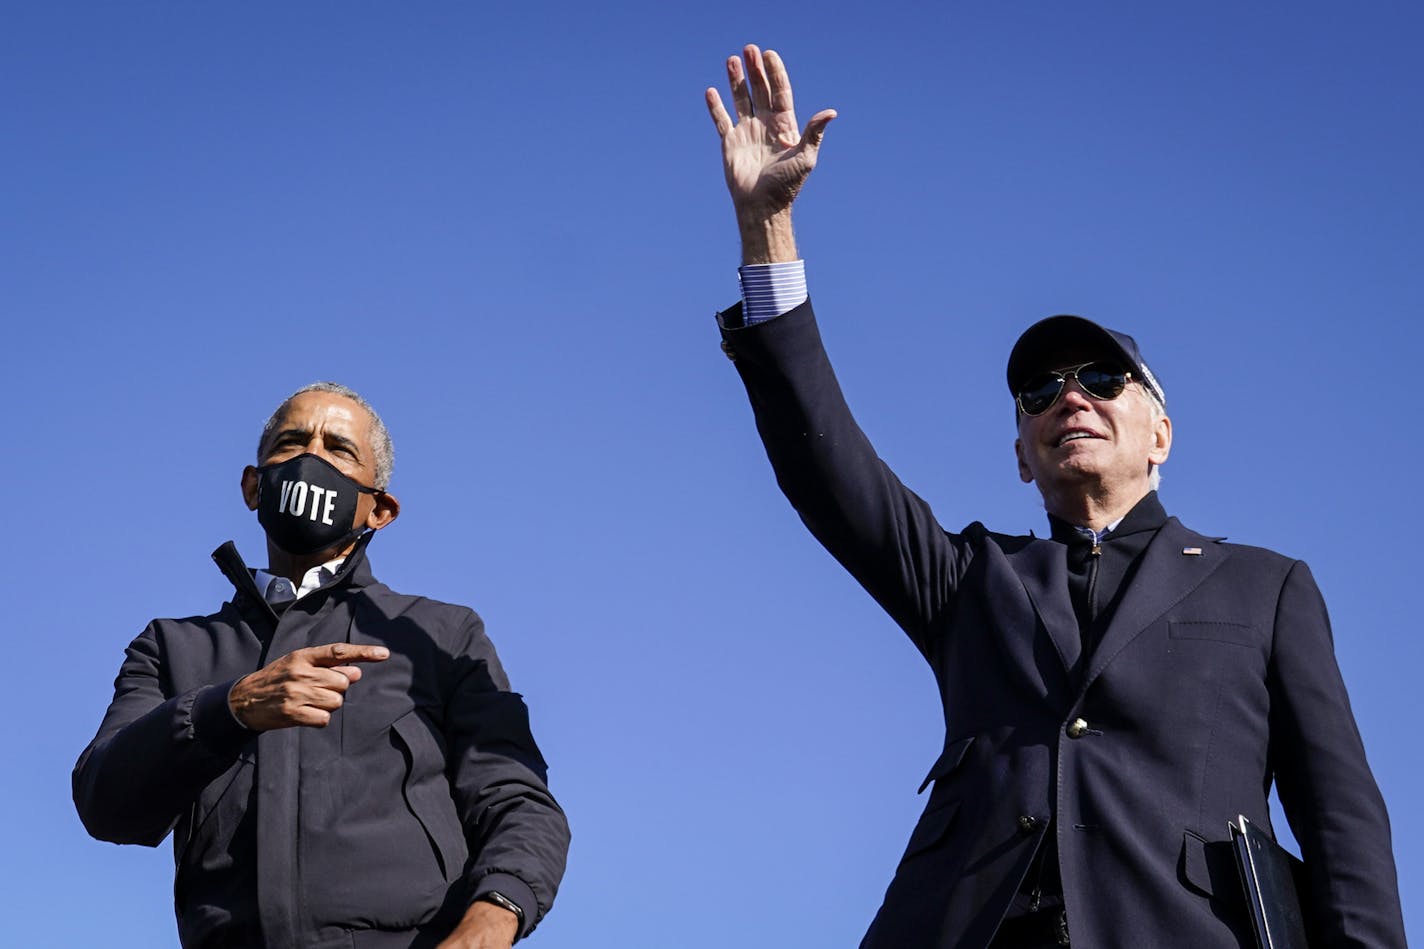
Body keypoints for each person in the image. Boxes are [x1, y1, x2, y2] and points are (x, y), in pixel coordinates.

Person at [704, 45, 1405, 948]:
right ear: (1021, 456)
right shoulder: (968, 578)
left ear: (1162, 434)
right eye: (1038, 391)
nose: (1068, 396)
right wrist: (769, 231)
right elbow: (825, 464)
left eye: (1102, 378)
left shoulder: (1264, 589)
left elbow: (1342, 821)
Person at [74, 382, 569, 949]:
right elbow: (104, 804)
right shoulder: (172, 647)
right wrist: (227, 709)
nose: (310, 458)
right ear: (252, 486)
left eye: (338, 448)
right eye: (290, 442)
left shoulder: (442, 635)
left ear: (378, 508)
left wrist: (491, 920)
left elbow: (520, 804)